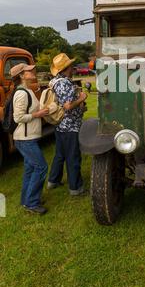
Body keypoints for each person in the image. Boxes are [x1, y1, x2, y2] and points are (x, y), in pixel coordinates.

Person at [11, 63, 49, 215]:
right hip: (24, 139)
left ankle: (26, 200)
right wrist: (37, 115)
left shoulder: (27, 90)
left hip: (27, 138)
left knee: (30, 168)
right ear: (21, 75)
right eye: (28, 70)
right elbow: (18, 117)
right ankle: (32, 203)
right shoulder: (21, 93)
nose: (32, 70)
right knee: (41, 167)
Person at [47, 53, 88, 195]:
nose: (73, 68)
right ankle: (75, 188)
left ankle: (53, 180)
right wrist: (82, 98)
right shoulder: (64, 83)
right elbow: (68, 106)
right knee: (73, 156)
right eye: (71, 66)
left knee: (60, 154)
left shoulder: (54, 81)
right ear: (65, 68)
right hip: (70, 126)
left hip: (60, 125)